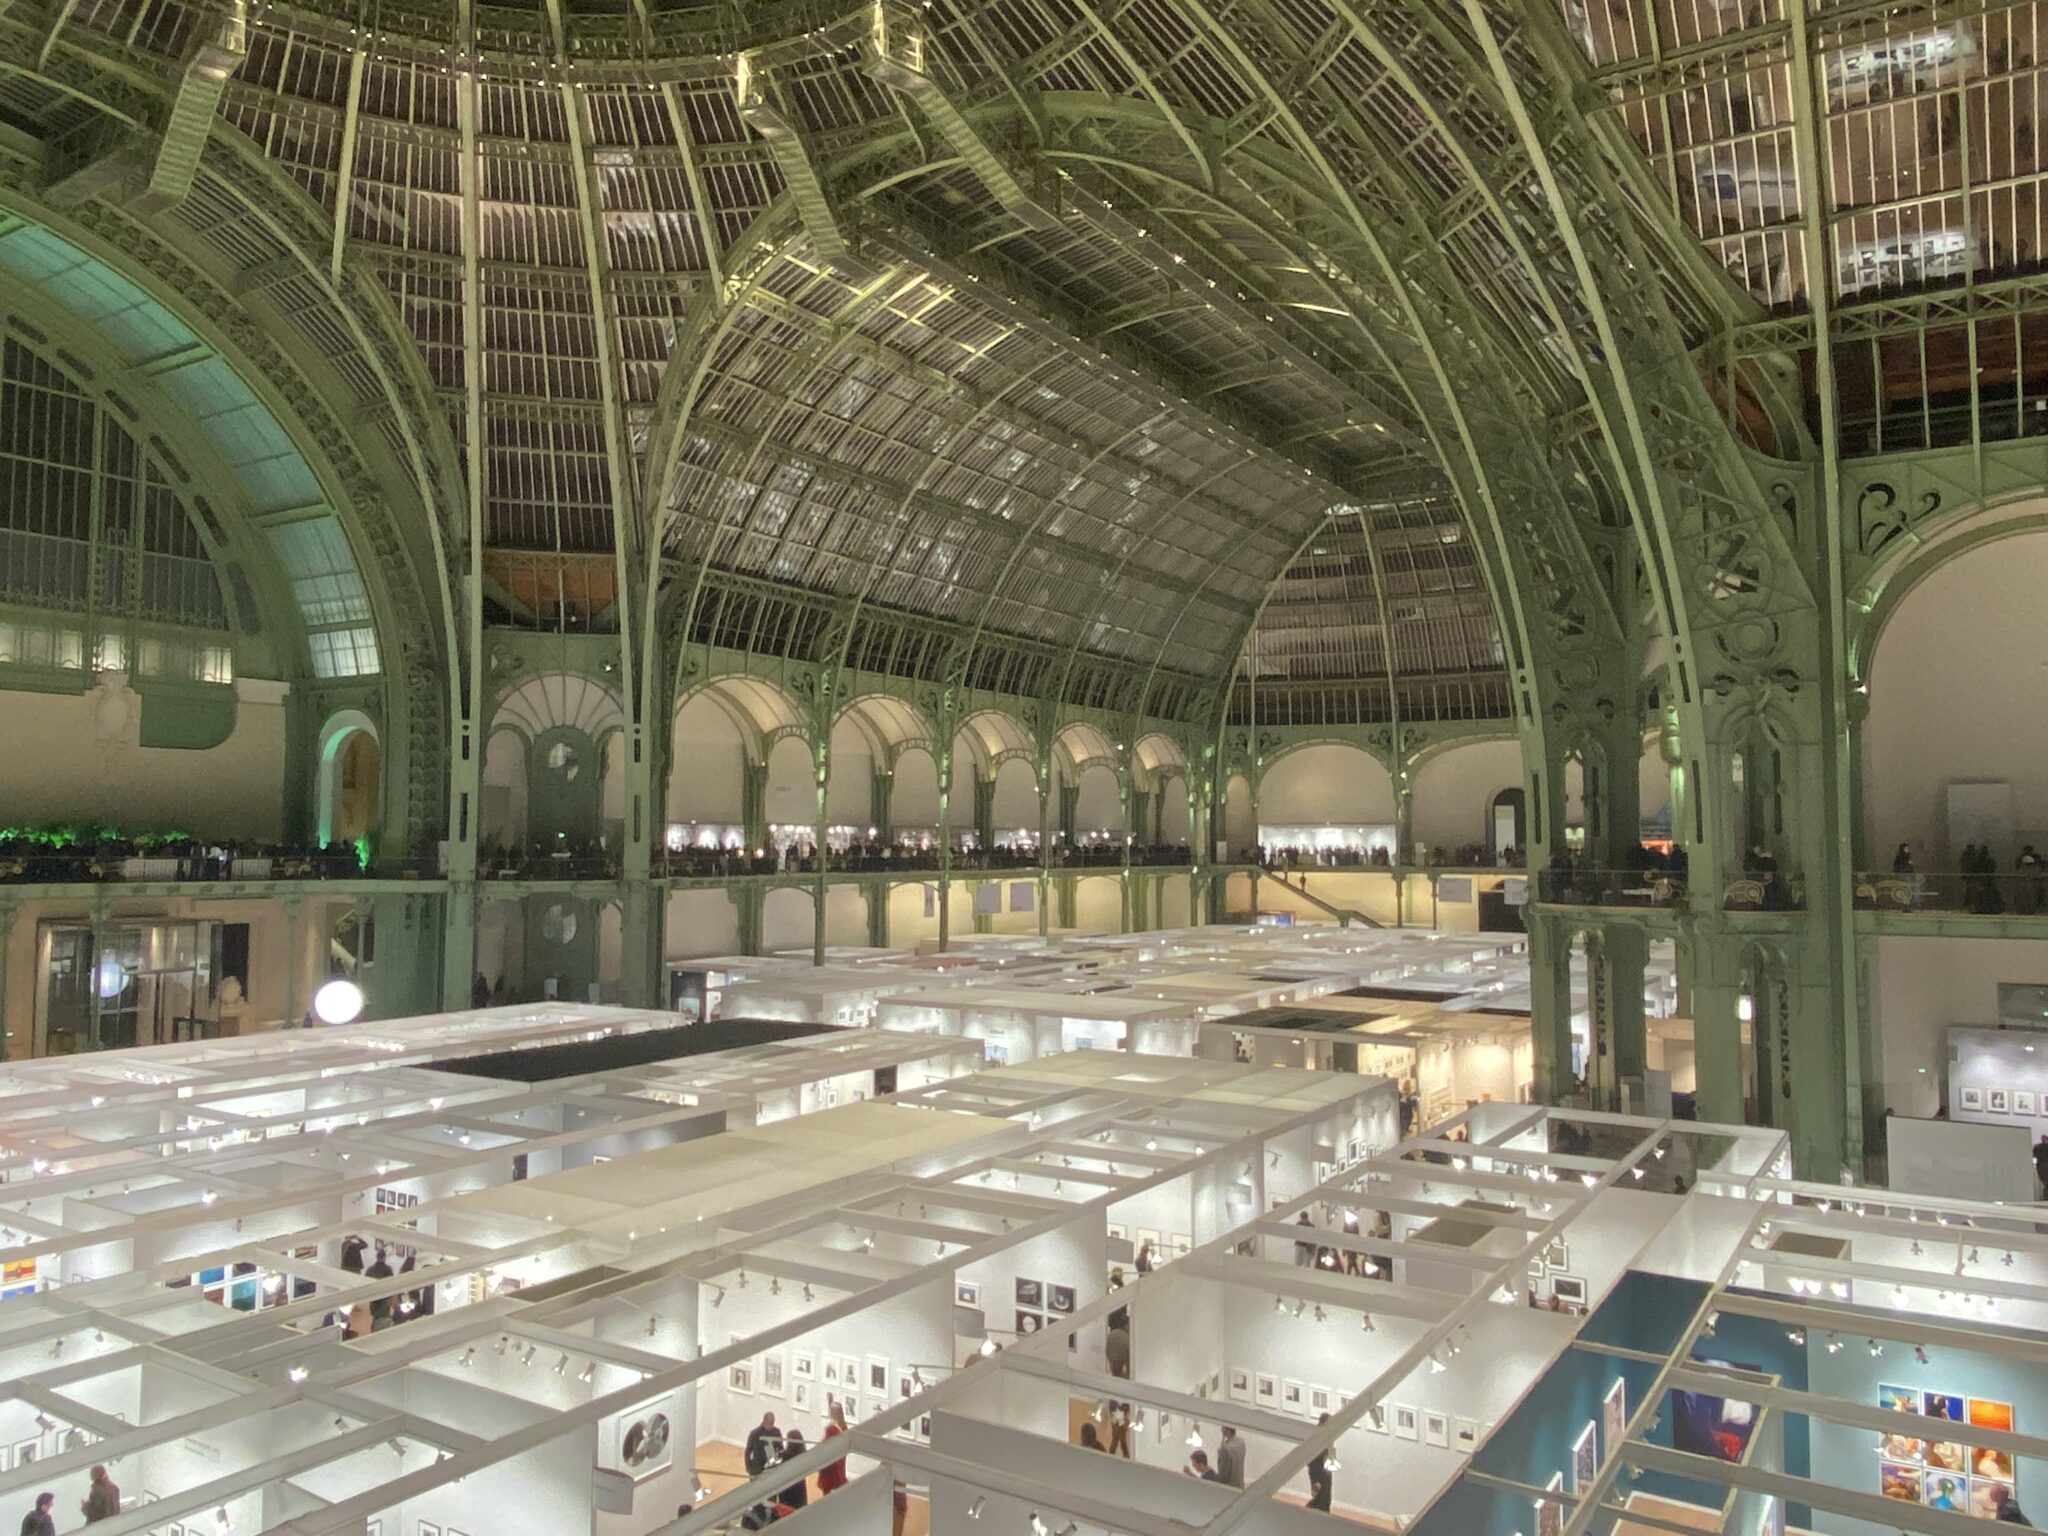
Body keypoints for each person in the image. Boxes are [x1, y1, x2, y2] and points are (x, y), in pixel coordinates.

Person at [817, 1401, 849, 1494]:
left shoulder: (831, 1428)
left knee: (827, 1488)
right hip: (840, 1460)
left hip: (830, 1464)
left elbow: (824, 1445)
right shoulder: (844, 1426)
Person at [1305, 1414, 1333, 1511]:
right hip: (1320, 1473)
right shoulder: (1319, 1438)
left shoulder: (1323, 1437)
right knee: (1322, 1499)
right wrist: (1315, 1482)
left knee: (1323, 1497)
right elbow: (1313, 1463)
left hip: (1322, 1472)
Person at [777, 1428, 808, 1511]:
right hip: (799, 1488)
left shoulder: (785, 1455)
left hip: (787, 1488)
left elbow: (774, 1463)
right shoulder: (803, 1454)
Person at [744, 1412, 782, 1477]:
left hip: (770, 1468)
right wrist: (748, 1467)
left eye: (772, 1423)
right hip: (756, 1469)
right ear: (764, 1421)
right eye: (769, 1423)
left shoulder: (776, 1432)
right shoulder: (754, 1434)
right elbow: (748, 1451)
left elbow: (780, 1449)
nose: (771, 1426)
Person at [2034, 1134, 2048, 1198]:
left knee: (2046, 1183)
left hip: (2040, 1167)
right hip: (2044, 1167)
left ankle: (2045, 1196)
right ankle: (2046, 1196)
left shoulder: (2037, 1147)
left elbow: (2034, 1156)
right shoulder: (2044, 1147)